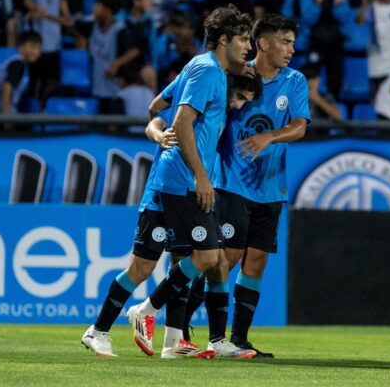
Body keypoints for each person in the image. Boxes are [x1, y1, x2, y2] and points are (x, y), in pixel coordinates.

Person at [81, 72, 260, 359]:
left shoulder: (217, 104)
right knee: (141, 269)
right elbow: (155, 114)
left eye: (244, 101)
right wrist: (157, 134)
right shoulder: (199, 82)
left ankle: (174, 341)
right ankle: (99, 330)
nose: (239, 105)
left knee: (187, 263)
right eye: (239, 98)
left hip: (188, 189)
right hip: (163, 191)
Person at [125, 6, 256, 359]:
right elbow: (181, 122)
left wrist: (156, 130)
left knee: (211, 260)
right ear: (224, 40)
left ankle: (181, 340)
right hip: (186, 180)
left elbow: (157, 105)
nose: (249, 46)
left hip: (196, 178)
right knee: (207, 256)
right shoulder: (205, 70)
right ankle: (146, 311)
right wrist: (200, 175)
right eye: (243, 39)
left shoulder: (200, 68)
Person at [207, 14, 311, 358]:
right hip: (232, 183)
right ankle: (209, 335)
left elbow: (300, 127)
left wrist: (271, 135)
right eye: (285, 42)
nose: (291, 50)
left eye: (293, 43)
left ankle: (238, 340)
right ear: (263, 44)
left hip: (271, 189)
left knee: (256, 263)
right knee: (229, 257)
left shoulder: (295, 81)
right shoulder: (235, 73)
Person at [22, 0, 72, 106]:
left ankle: (46, 110)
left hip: (53, 39)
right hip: (36, 39)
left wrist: (67, 18)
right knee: (33, 80)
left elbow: (62, 2)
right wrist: (34, 8)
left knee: (49, 81)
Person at [299, 0, 352, 97]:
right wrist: (320, 3)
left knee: (335, 80)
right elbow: (308, 19)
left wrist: (334, 5)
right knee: (311, 76)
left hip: (335, 44)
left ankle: (331, 106)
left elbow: (344, 19)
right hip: (315, 43)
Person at [75, 0, 128, 114]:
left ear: (107, 10)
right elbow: (71, 25)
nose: (94, 8)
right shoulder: (91, 26)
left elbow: (134, 50)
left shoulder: (121, 30)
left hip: (113, 85)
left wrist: (116, 64)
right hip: (95, 82)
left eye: (97, 6)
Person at [0, 31, 42, 114]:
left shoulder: (20, 64)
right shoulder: (18, 64)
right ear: (21, 45)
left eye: (39, 48)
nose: (36, 52)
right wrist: (6, 118)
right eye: (32, 46)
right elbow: (7, 86)